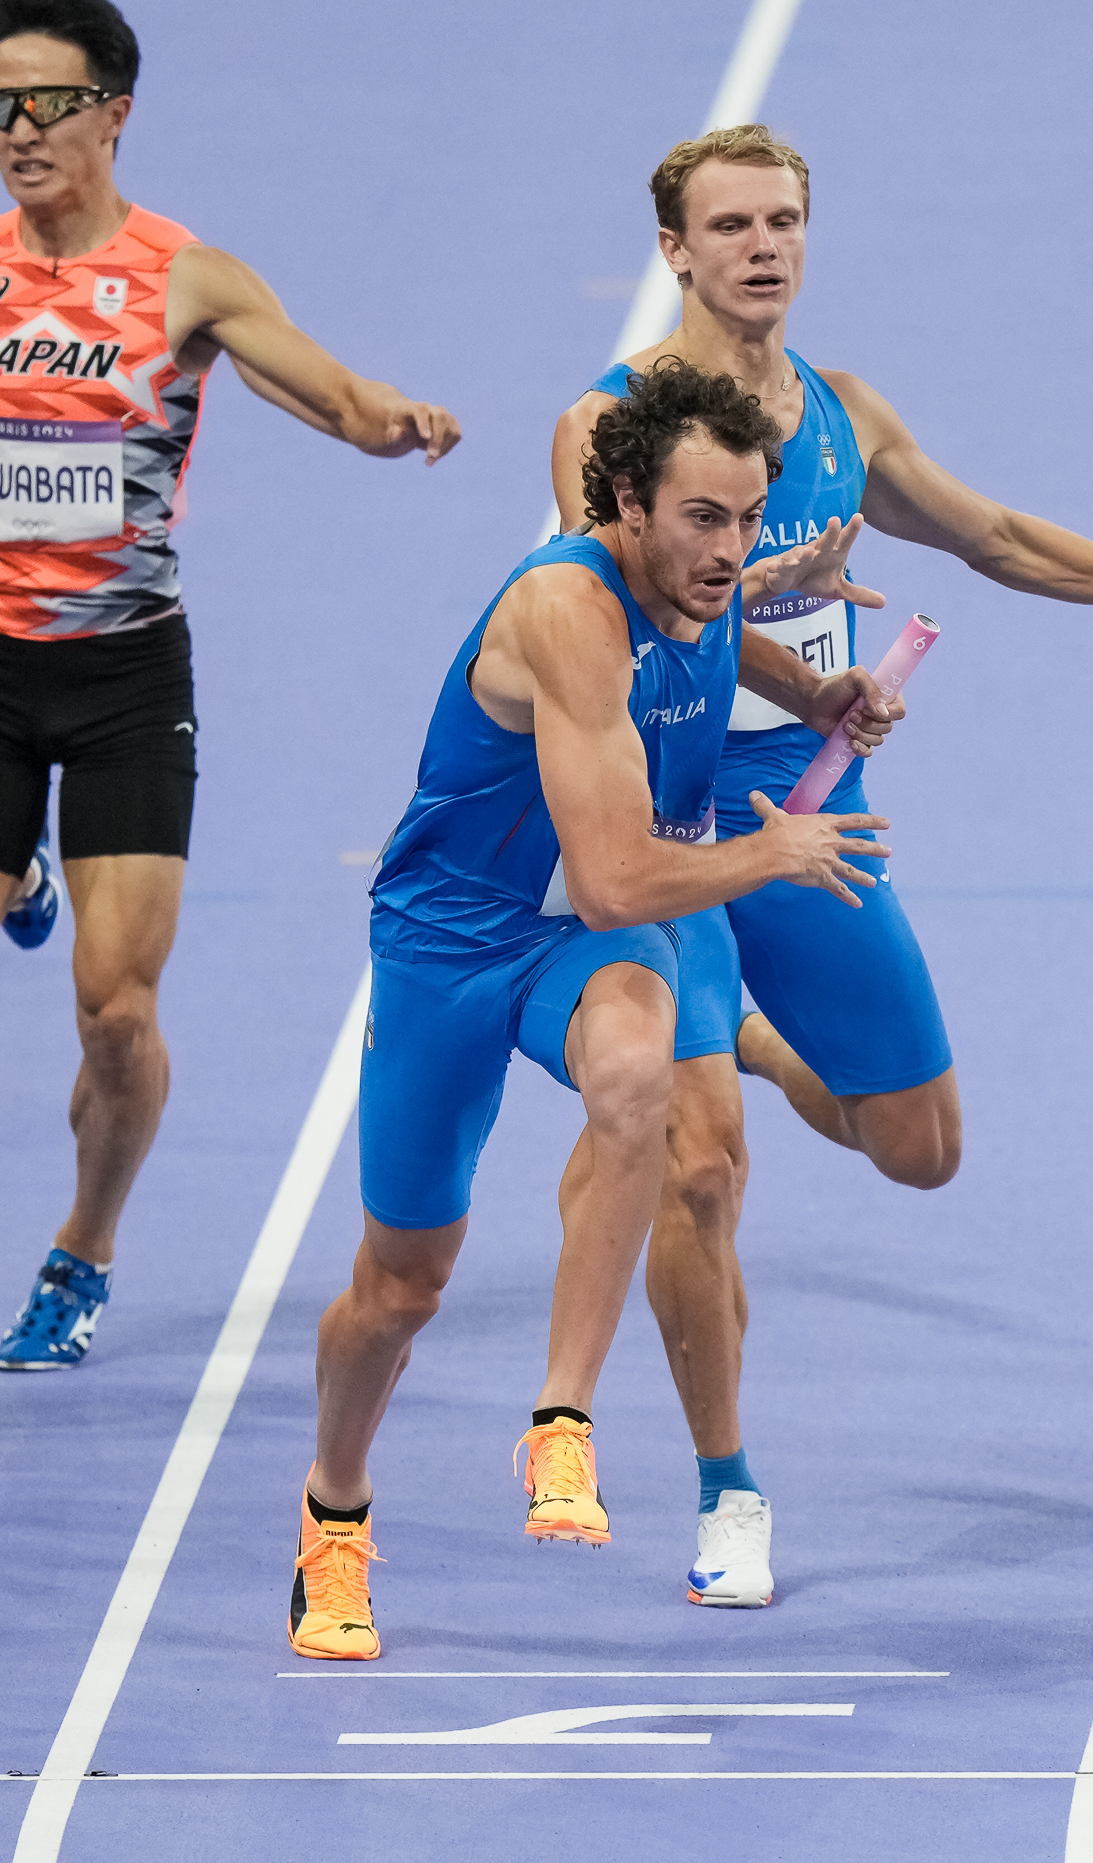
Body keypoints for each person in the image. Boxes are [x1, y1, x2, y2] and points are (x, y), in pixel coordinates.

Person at [551, 122, 1093, 1608]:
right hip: (668, 825)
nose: (762, 248)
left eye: (782, 221)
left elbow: (995, 537)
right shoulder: (610, 425)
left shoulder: (839, 414)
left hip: (814, 814)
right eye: (728, 226)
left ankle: (762, 1043)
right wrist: (772, 597)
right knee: (701, 1166)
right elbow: (601, 615)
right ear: (672, 250)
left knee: (918, 1148)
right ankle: (729, 1492)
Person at [289, 360, 898, 1660]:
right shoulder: (567, 608)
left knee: (634, 1072)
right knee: (399, 1287)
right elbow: (620, 871)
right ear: (624, 503)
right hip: (451, 943)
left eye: (748, 519)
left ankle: (561, 1421)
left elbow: (713, 637)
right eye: (705, 519)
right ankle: (334, 1510)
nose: (732, 550)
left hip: (583, 941)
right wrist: (772, 853)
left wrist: (816, 693)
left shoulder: (699, 583)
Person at [0, 0, 461, 1370]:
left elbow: (323, 390)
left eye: (45, 103)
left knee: (115, 1011)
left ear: (114, 115)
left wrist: (388, 419)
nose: (18, 131)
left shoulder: (184, 278)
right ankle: (17, 875)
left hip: (127, 680)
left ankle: (84, 1247)